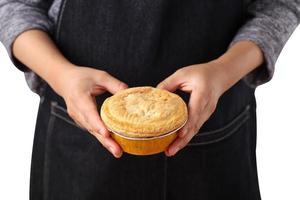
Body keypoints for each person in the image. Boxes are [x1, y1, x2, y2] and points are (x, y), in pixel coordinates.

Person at [0, 0, 299, 199]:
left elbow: (280, 3)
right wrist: (61, 75)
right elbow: (14, 5)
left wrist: (223, 71)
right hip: (78, 145)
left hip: (214, 136)